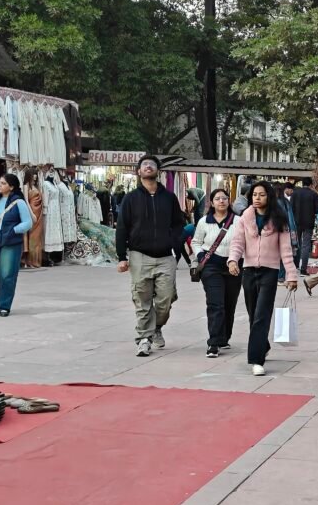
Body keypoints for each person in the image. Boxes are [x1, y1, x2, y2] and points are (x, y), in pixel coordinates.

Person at [116, 155, 186, 357]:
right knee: (142, 299)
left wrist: (175, 244)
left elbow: (179, 224)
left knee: (166, 299)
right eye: (144, 165)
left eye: (152, 164)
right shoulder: (130, 198)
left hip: (166, 256)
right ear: (139, 172)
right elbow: (122, 228)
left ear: (158, 171)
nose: (148, 166)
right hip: (139, 255)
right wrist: (122, 256)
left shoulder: (169, 197)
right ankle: (144, 338)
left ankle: (156, 327)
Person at [228, 181, 298, 376]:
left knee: (262, 315)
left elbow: (286, 250)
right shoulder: (245, 217)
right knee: (253, 314)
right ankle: (262, 345)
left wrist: (291, 275)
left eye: (261, 195)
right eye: (254, 195)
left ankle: (256, 360)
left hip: (270, 271)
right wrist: (233, 260)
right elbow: (237, 242)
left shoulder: (278, 219)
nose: (257, 198)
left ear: (269, 197)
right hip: (249, 270)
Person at [191, 188, 241, 358]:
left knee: (229, 303)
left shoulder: (239, 221)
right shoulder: (204, 221)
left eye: (224, 198)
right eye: (218, 199)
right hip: (211, 266)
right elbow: (196, 241)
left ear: (229, 201)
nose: (221, 201)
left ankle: (224, 336)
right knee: (215, 303)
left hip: (234, 266)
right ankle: (213, 342)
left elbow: (244, 242)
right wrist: (200, 255)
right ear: (211, 203)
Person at [0, 173, 34, 317]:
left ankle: (4, 306)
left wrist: (13, 230)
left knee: (7, 274)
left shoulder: (19, 202)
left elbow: (28, 223)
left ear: (11, 187)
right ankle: (5, 292)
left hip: (11, 240)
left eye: (3, 183)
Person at [292, 176, 318, 277]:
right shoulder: (313, 194)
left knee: (296, 244)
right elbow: (317, 210)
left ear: (302, 183)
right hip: (308, 223)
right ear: (311, 184)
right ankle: (303, 269)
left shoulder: (295, 193)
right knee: (306, 245)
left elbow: (291, 208)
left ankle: (295, 266)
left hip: (296, 222)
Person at [22, 169, 45, 269]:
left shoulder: (36, 186)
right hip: (31, 212)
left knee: (37, 237)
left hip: (39, 212)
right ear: (29, 175)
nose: (35, 176)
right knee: (31, 236)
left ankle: (36, 261)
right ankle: (29, 261)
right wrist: (31, 214)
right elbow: (26, 201)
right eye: (33, 174)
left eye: (36, 174)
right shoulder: (26, 186)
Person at [277, 182, 299, 284]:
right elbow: (290, 219)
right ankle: (281, 276)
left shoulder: (273, 202)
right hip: (285, 230)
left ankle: (278, 276)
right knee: (284, 253)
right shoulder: (285, 202)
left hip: (275, 230)